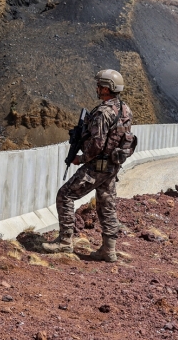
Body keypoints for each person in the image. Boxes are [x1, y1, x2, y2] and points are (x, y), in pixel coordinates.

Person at [43, 69, 133, 262]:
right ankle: (109, 250)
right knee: (106, 205)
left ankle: (65, 241)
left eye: (100, 86)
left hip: (97, 166)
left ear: (107, 88)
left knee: (65, 195)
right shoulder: (125, 109)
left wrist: (81, 159)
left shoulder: (103, 112)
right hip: (113, 165)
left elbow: (97, 144)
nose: (97, 89)